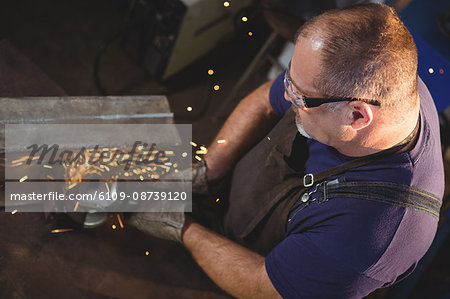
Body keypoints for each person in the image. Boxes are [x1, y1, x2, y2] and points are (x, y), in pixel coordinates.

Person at [130, 3, 445, 298]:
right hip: (228, 210)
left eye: (300, 97)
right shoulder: (372, 78)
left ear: (357, 116)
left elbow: (259, 284)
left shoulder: (373, 237)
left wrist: (182, 228)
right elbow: (265, 101)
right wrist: (208, 171)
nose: (288, 95)